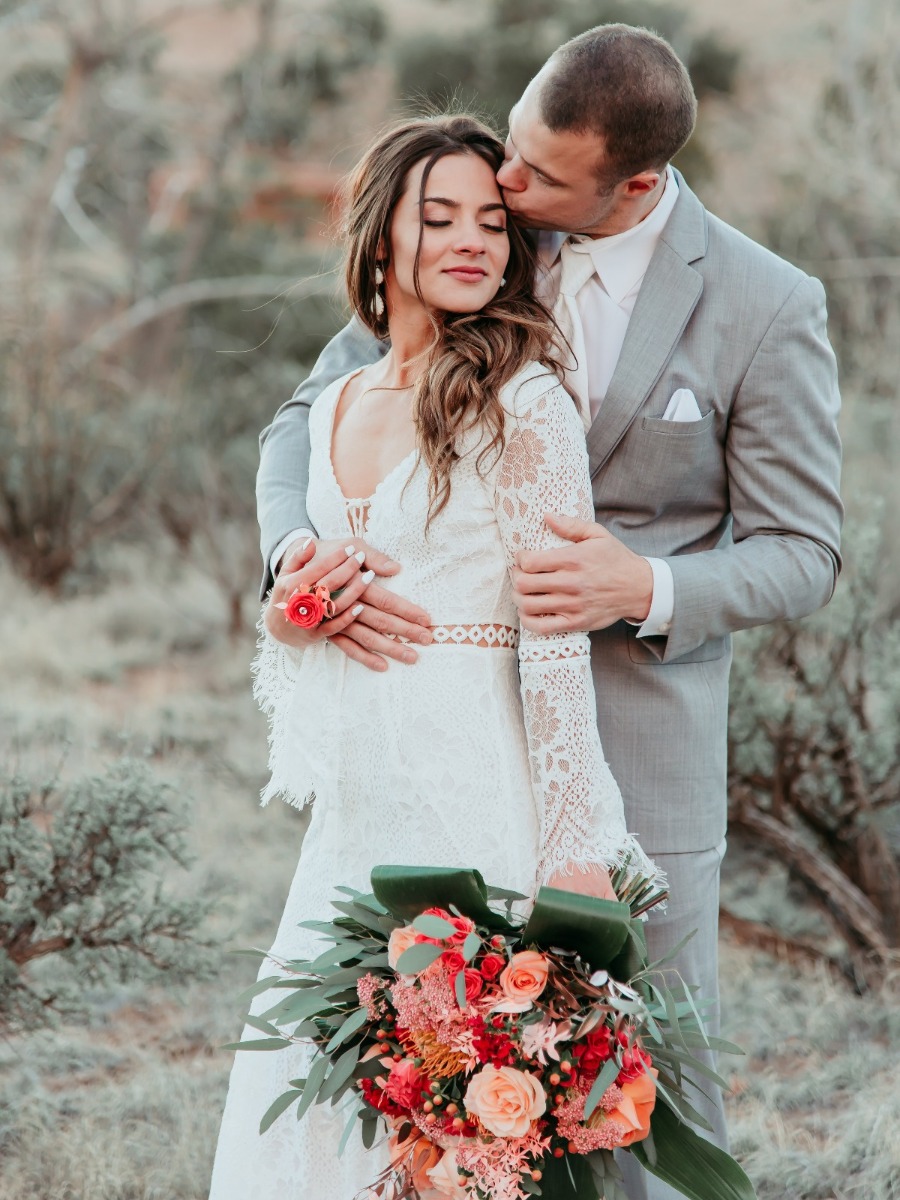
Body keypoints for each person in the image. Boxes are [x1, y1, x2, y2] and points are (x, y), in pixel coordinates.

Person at [253, 25, 843, 1200]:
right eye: (508, 154)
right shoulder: (484, 231)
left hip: (637, 748)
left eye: (534, 176)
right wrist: (295, 561)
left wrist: (651, 586)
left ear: (633, 184)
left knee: (636, 1085)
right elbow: (307, 413)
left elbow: (805, 551)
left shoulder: (763, 305)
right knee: (419, 1074)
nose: (507, 190)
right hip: (450, 741)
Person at [209, 113, 664, 1199]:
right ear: (380, 241)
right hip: (357, 811)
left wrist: (573, 844)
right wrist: (292, 615)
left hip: (476, 790)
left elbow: (554, 639)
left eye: (492, 222)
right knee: (332, 1094)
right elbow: (312, 618)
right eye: (439, 216)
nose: (474, 240)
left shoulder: (525, 400)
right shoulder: (333, 407)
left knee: (465, 1111)